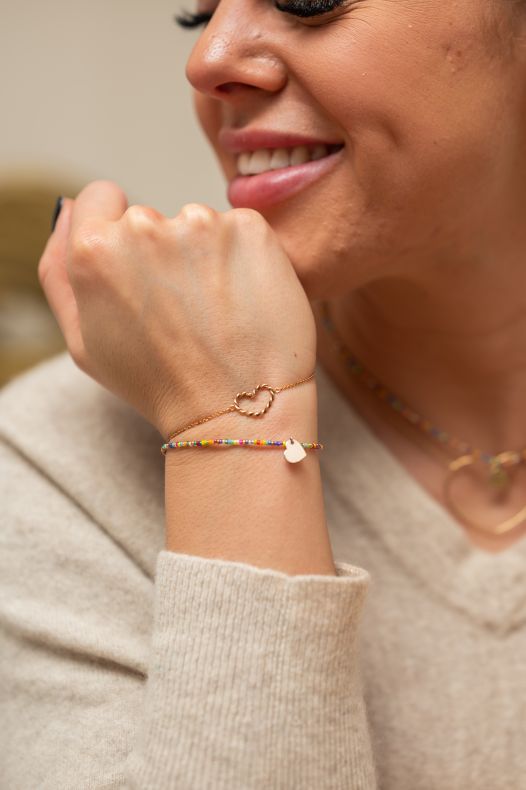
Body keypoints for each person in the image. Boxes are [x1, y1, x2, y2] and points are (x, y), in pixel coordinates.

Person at [1, 0, 526, 787]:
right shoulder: (62, 461)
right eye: (197, 13)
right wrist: (231, 430)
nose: (205, 60)